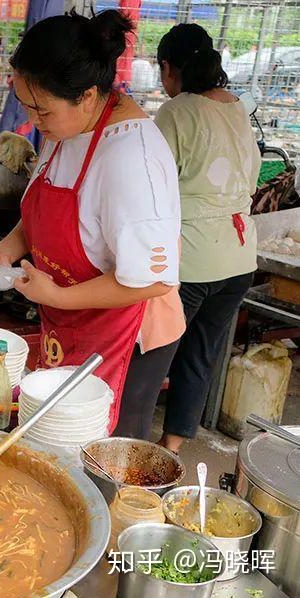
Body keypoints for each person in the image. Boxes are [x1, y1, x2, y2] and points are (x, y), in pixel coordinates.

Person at [0, 10, 184, 434]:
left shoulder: (131, 159)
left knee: (100, 456)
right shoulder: (66, 129)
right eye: (27, 106)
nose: (33, 120)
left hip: (129, 335)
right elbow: (42, 216)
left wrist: (58, 295)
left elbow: (153, 280)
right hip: (70, 320)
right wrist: (7, 249)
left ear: (87, 96)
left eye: (42, 110)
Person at [153, 24, 260, 454]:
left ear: (168, 67)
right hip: (238, 258)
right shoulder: (238, 108)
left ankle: (127, 446)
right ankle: (171, 448)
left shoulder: (176, 111)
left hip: (190, 259)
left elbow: (154, 185)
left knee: (155, 353)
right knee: (200, 354)